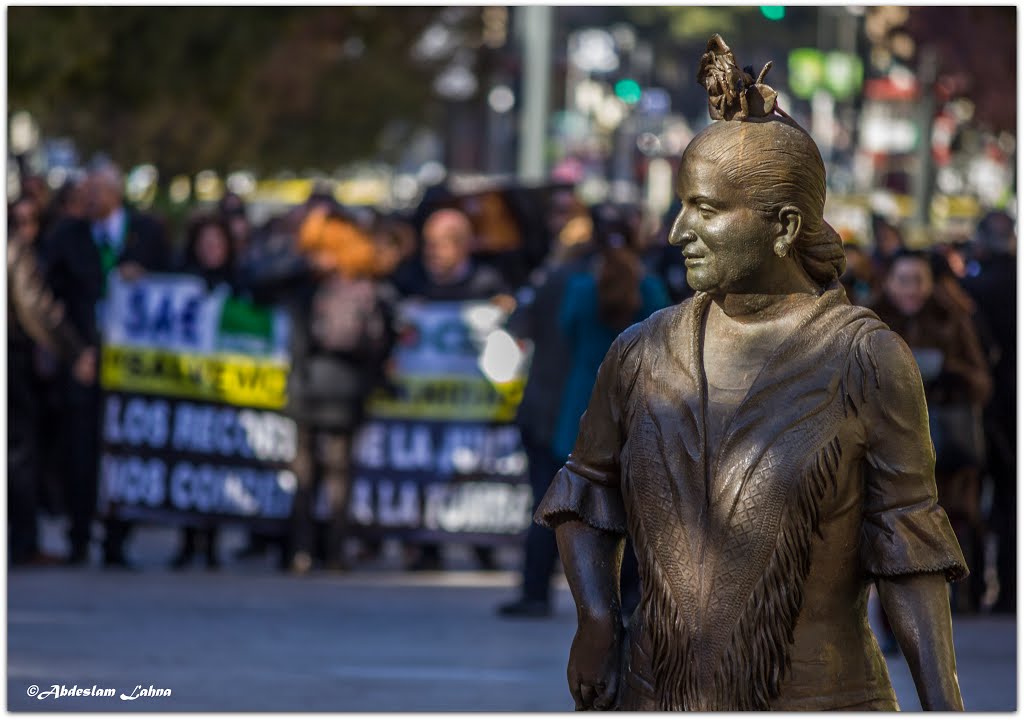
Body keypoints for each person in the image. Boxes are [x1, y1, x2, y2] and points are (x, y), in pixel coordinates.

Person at [536, 36, 967, 711]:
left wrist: (945, 706)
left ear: (785, 225)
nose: (679, 230)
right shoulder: (642, 351)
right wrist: (597, 620)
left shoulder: (864, 358)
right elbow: (587, 495)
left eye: (706, 209)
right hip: (658, 697)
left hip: (821, 699)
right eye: (683, 205)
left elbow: (909, 546)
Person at [239, 206, 396, 574]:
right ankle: (337, 552)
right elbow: (380, 339)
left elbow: (257, 282)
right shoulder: (364, 279)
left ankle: (301, 551)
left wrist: (302, 263)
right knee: (340, 472)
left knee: (304, 469)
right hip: (347, 385)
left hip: (308, 381)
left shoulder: (307, 280)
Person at [43, 162, 171, 568]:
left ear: (116, 193)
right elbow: (49, 299)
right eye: (87, 190)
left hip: (134, 364)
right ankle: (79, 535)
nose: (90, 198)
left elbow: (175, 282)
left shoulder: (147, 233)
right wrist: (74, 350)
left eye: (98, 190)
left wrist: (145, 277)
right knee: (79, 451)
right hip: (85, 358)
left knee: (127, 448)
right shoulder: (68, 236)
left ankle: (117, 539)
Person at [872, 249, 992, 613]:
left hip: (943, 442)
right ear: (889, 282)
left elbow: (981, 380)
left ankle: (954, 599)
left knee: (947, 522)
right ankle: (893, 616)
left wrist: (949, 372)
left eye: (919, 280)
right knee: (891, 531)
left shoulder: (952, 317)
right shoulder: (870, 318)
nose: (912, 289)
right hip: (887, 443)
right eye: (903, 280)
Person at [497, 197, 596, 618]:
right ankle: (606, 597)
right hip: (590, 408)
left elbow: (517, 327)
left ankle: (535, 590)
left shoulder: (556, 280)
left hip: (549, 404)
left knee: (544, 504)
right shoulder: (629, 281)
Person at [403, 208, 512, 572]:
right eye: (429, 243)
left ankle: (483, 544)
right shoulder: (411, 280)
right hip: (421, 404)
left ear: (464, 246)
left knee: (474, 472)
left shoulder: (488, 283)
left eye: (444, 244)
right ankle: (425, 547)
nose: (433, 251)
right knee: (423, 471)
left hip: (472, 405)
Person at [7, 196, 93, 566]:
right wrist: (74, 352)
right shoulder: (13, 248)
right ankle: (24, 543)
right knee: (18, 454)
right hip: (11, 360)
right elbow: (35, 308)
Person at [169, 213, 239, 571]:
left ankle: (210, 543)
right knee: (187, 466)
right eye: (205, 244)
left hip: (225, 390)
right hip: (188, 386)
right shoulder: (180, 281)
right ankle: (186, 542)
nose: (211, 250)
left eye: (218, 243)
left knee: (215, 469)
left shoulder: (240, 283)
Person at [961, 210, 1016, 614]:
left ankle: (976, 586)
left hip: (988, 406)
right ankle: (1011, 591)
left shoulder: (974, 289)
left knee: (977, 496)